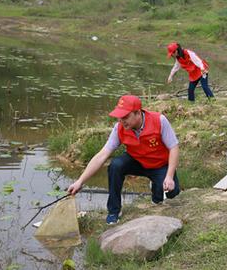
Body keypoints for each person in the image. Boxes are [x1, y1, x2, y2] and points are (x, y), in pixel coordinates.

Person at [67, 95, 180, 225]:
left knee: (172, 192)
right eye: (120, 117)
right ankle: (114, 211)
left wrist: (169, 176)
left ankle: (156, 187)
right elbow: (102, 155)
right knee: (115, 165)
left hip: (159, 164)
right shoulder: (119, 128)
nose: (122, 121)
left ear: (138, 113)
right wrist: (80, 181)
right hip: (136, 160)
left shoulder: (159, 120)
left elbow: (174, 148)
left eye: (125, 117)